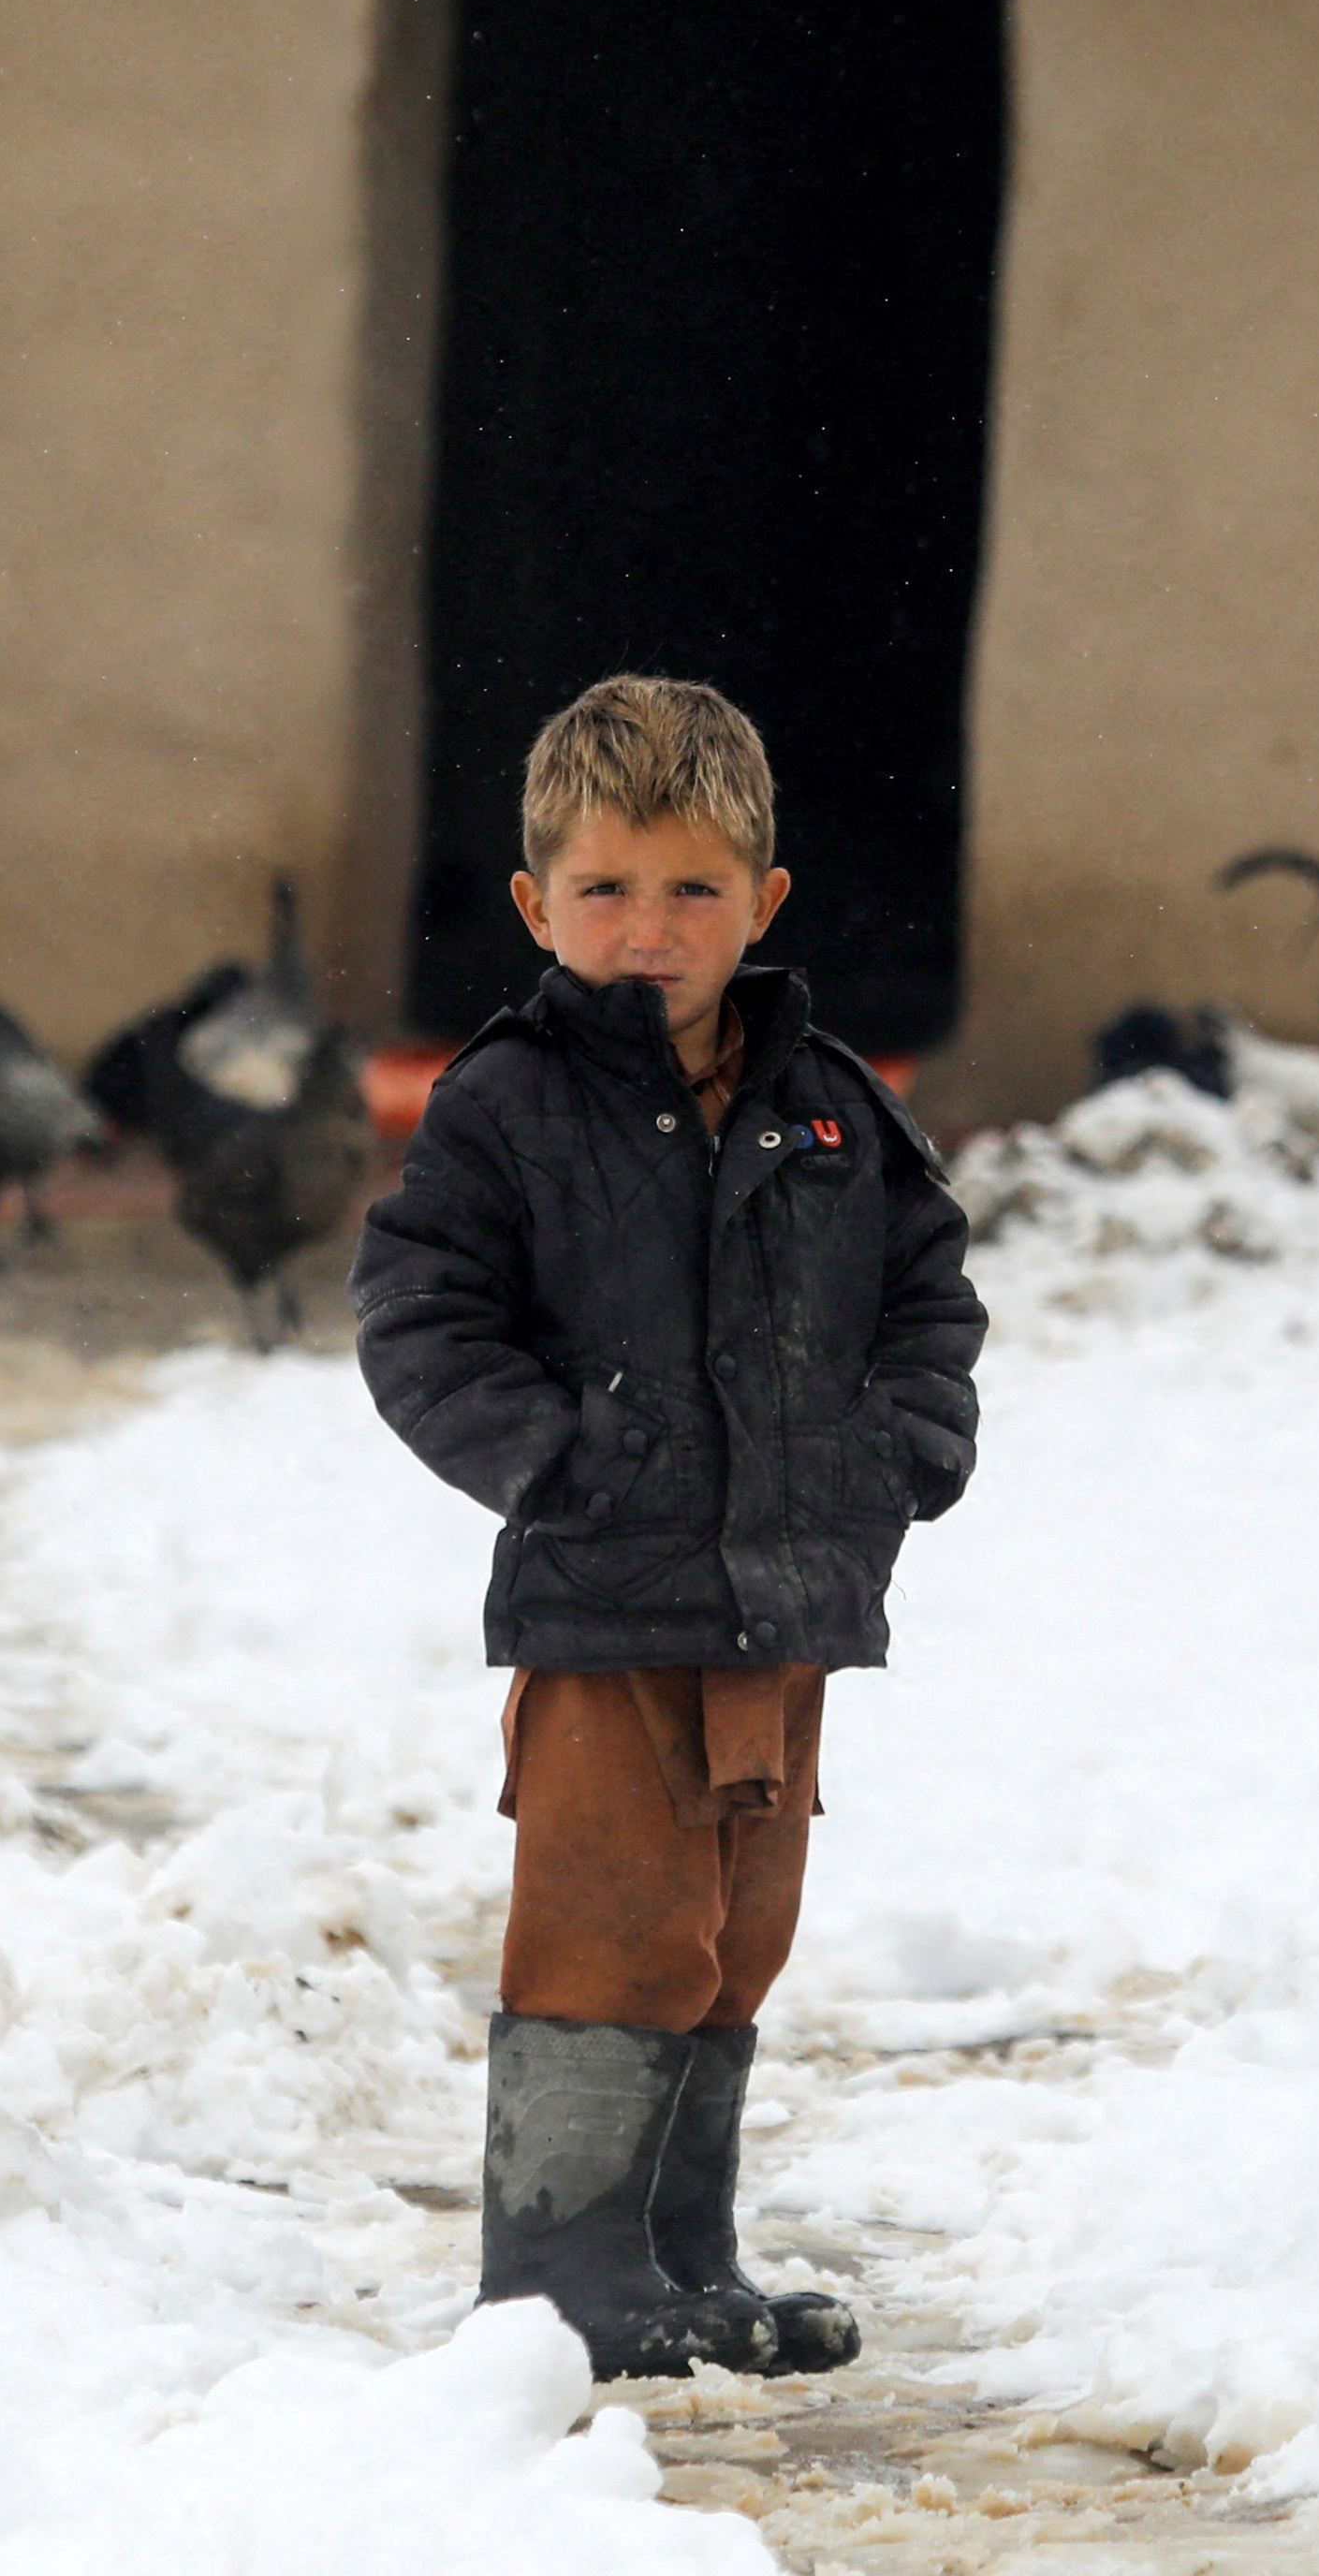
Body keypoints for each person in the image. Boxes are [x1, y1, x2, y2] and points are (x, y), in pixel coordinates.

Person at [349, 675, 987, 2379]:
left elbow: (930, 1294)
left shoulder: (834, 1105)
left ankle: (674, 2251)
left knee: (730, 1929)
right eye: (608, 888)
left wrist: (902, 1444)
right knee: (614, 1917)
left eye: (694, 888)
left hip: (785, 1597)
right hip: (605, 1597)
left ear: (764, 901)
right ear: (536, 902)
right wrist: (551, 1458)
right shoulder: (511, 1101)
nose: (650, 929)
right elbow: (419, 1312)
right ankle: (558, 2268)